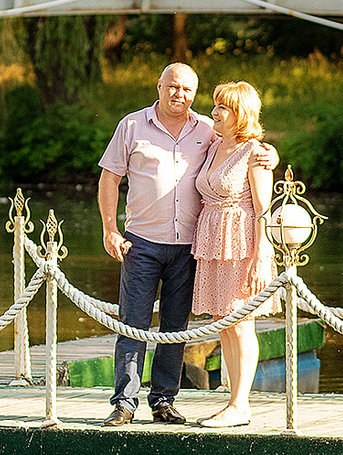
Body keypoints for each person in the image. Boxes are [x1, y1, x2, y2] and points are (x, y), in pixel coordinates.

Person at [97, 63, 213, 426]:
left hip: (188, 247)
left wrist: (267, 155)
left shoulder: (208, 130)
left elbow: (241, 147)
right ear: (160, 86)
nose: (180, 94)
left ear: (195, 94)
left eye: (187, 90)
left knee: (175, 328)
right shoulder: (131, 125)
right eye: (174, 86)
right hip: (141, 244)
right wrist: (109, 230)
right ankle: (124, 404)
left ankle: (163, 400)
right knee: (133, 325)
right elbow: (109, 179)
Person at [190, 82, 279, 428]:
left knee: (241, 324)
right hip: (213, 241)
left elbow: (262, 209)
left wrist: (262, 254)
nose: (215, 112)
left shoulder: (254, 152)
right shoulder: (215, 145)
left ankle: (241, 405)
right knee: (222, 323)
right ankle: (231, 401)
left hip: (241, 242)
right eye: (215, 105)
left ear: (240, 113)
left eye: (223, 108)